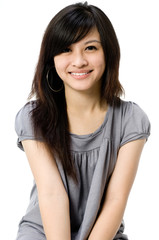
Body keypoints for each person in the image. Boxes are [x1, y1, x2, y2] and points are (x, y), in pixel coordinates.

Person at [15, 2, 150, 240]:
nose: (78, 61)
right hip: (43, 232)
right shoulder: (33, 117)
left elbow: (115, 200)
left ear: (108, 52)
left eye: (90, 48)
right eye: (66, 49)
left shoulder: (131, 119)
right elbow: (51, 194)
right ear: (52, 58)